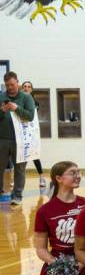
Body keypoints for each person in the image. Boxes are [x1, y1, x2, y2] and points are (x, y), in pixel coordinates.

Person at [33, 161, 85, 275]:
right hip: (57, 260)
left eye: (78, 172)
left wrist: (81, 264)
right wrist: (56, 264)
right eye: (73, 173)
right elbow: (40, 248)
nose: (78, 176)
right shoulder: (44, 211)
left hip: (82, 260)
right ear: (58, 178)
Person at [0, 71, 36, 205]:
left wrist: (17, 108)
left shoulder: (26, 98)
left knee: (20, 169)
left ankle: (17, 196)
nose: (10, 87)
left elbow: (30, 116)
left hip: (21, 140)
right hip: (2, 139)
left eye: (12, 84)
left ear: (17, 82)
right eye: (7, 85)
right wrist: (2, 111)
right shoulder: (1, 97)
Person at [18, 79, 45, 187]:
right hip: (20, 133)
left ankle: (42, 177)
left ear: (32, 89)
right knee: (19, 156)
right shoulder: (18, 102)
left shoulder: (35, 103)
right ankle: (18, 180)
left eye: (29, 86)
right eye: (25, 86)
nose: (26, 88)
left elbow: (32, 119)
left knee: (35, 155)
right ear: (22, 88)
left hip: (31, 133)